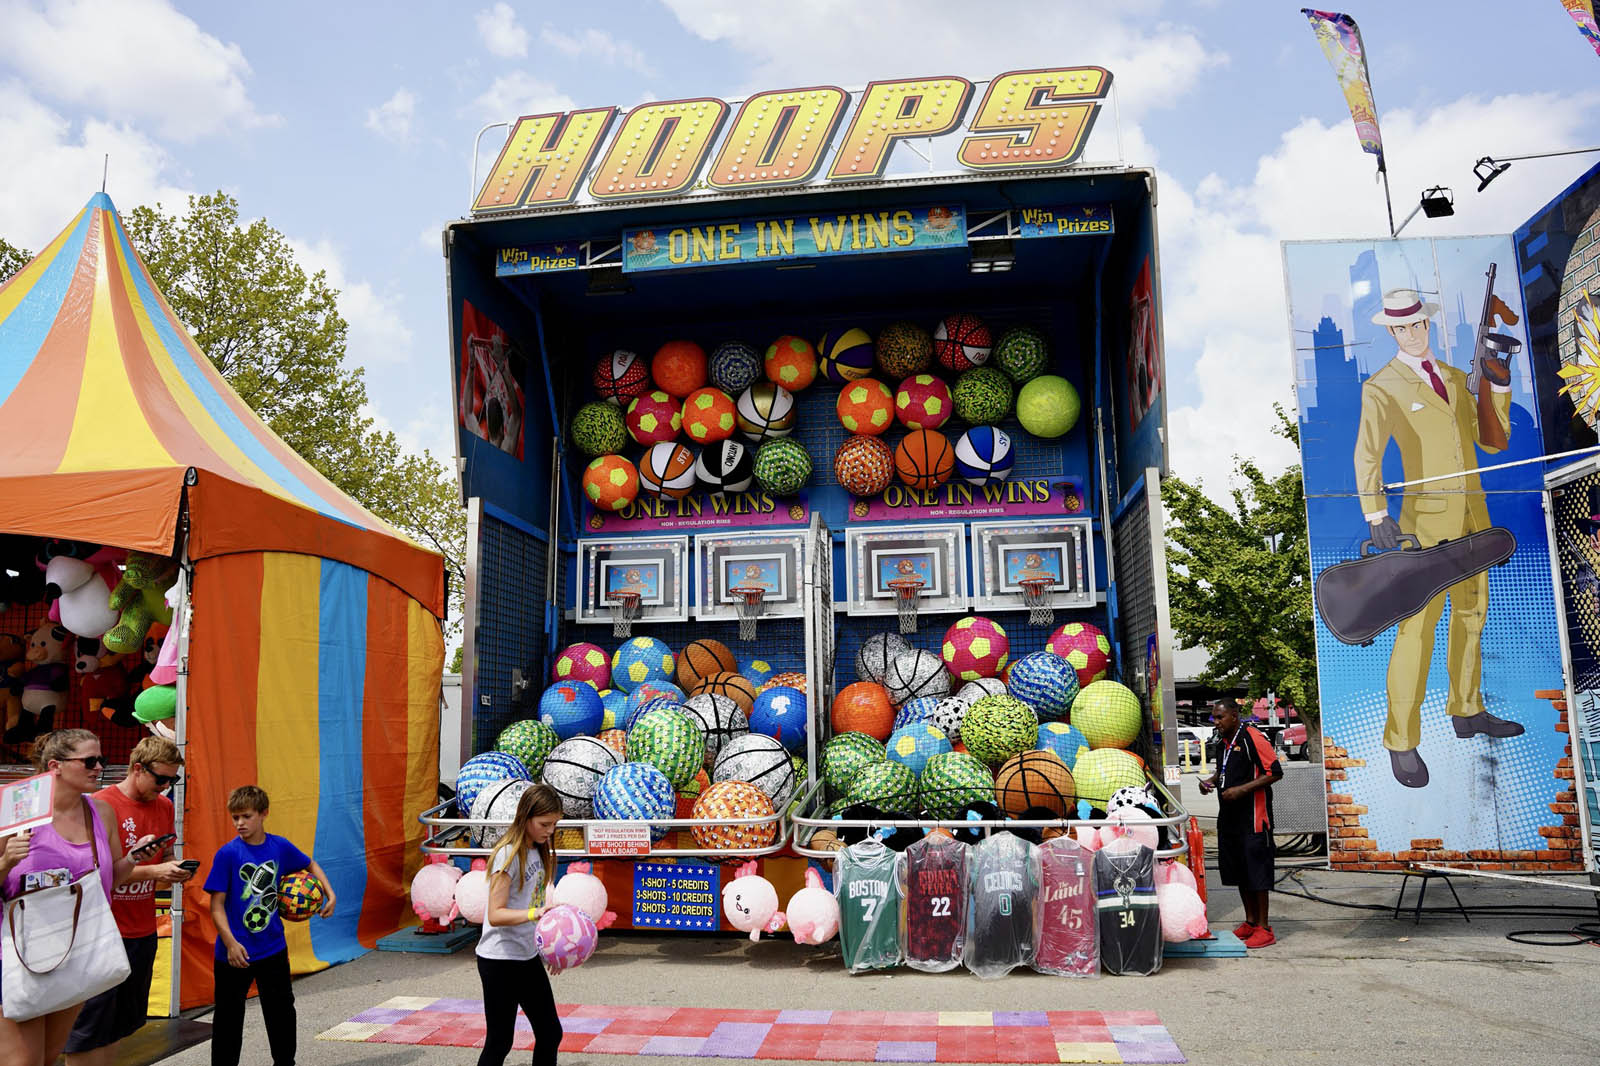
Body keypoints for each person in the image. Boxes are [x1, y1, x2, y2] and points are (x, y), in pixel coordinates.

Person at [1354, 287, 1521, 788]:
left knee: (1472, 615)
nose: (1410, 333)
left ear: (1427, 325)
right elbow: (1367, 454)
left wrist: (1497, 383)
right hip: (1423, 525)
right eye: (1400, 327)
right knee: (1416, 632)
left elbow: (1494, 438)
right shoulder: (1381, 386)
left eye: (1416, 325)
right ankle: (1401, 742)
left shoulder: (1453, 376)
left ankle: (1467, 709)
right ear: (1391, 331)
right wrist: (1376, 513)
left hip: (1474, 514)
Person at [0, 730, 158, 1066]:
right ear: (55, 766)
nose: (99, 767)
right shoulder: (17, 806)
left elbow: (110, 879)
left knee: (47, 1057)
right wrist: (5, 862)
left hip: (75, 947)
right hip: (17, 949)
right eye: (89, 760)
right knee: (22, 1061)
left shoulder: (100, 812)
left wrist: (133, 859)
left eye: (100, 759)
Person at [65, 736, 195, 1065]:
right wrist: (155, 870)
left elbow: (163, 858)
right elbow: (98, 873)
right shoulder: (100, 804)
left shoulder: (164, 806)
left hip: (141, 929)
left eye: (173, 780)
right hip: (104, 931)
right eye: (161, 779)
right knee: (87, 1030)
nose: (166, 787)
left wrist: (173, 870)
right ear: (137, 769)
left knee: (122, 1025)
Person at [204, 785, 335, 1066]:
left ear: (264, 814)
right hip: (234, 953)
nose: (240, 823)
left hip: (272, 948)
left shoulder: (279, 847)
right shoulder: (227, 854)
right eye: (235, 817)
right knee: (228, 1017)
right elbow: (216, 907)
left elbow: (310, 864)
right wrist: (230, 943)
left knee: (281, 1012)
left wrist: (330, 892)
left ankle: (285, 1062)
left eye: (246, 816)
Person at [476, 784, 564, 1066]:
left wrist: (551, 950)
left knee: (550, 1032)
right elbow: (496, 914)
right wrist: (535, 913)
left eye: (554, 824)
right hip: (499, 960)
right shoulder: (508, 855)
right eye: (544, 824)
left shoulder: (538, 851)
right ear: (526, 817)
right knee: (500, 1041)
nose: (550, 830)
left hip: (526, 956)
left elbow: (532, 905)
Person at [1199, 700, 1283, 948]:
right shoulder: (1223, 742)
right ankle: (1250, 921)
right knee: (1239, 871)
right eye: (1214, 718)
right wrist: (1212, 781)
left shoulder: (1251, 736)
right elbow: (1225, 771)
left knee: (1257, 872)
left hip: (1253, 818)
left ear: (1234, 716)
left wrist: (1241, 790)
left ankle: (1264, 927)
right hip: (1230, 818)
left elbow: (1275, 772)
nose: (1216, 722)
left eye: (1220, 718)